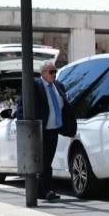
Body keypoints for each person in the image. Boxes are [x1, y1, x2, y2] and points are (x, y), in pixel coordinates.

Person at [13, 60, 77, 202]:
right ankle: (47, 191)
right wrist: (24, 126)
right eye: (51, 71)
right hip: (39, 130)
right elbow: (22, 107)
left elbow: (63, 106)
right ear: (43, 73)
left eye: (55, 71)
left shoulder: (59, 86)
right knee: (44, 162)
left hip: (53, 130)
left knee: (47, 161)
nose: (54, 74)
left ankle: (42, 191)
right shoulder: (35, 85)